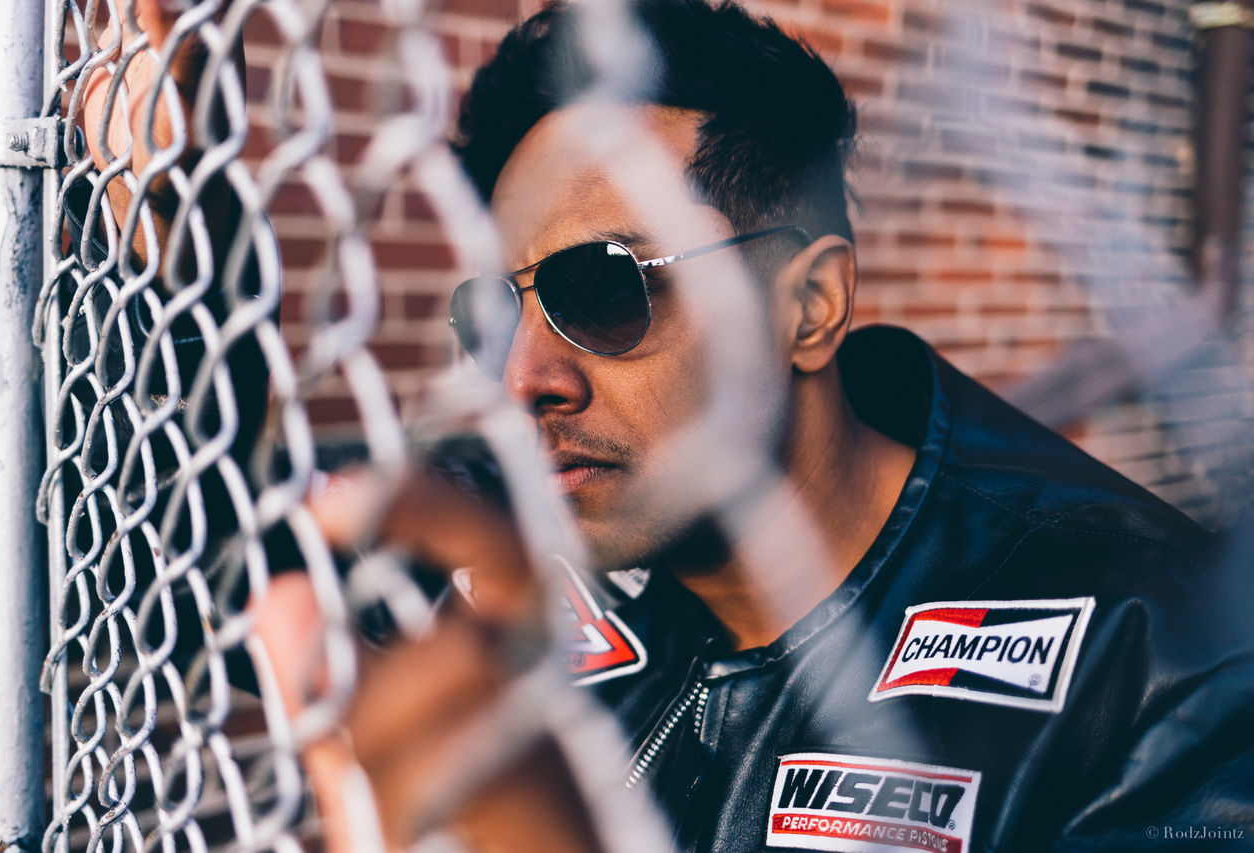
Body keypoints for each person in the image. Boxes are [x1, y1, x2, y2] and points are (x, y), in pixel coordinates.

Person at [80, 0, 1254, 851]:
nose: (528, 375)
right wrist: (171, 237)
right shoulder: (512, 518)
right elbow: (180, 552)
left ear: (808, 306)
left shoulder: (1155, 664)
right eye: (500, 309)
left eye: (605, 287)